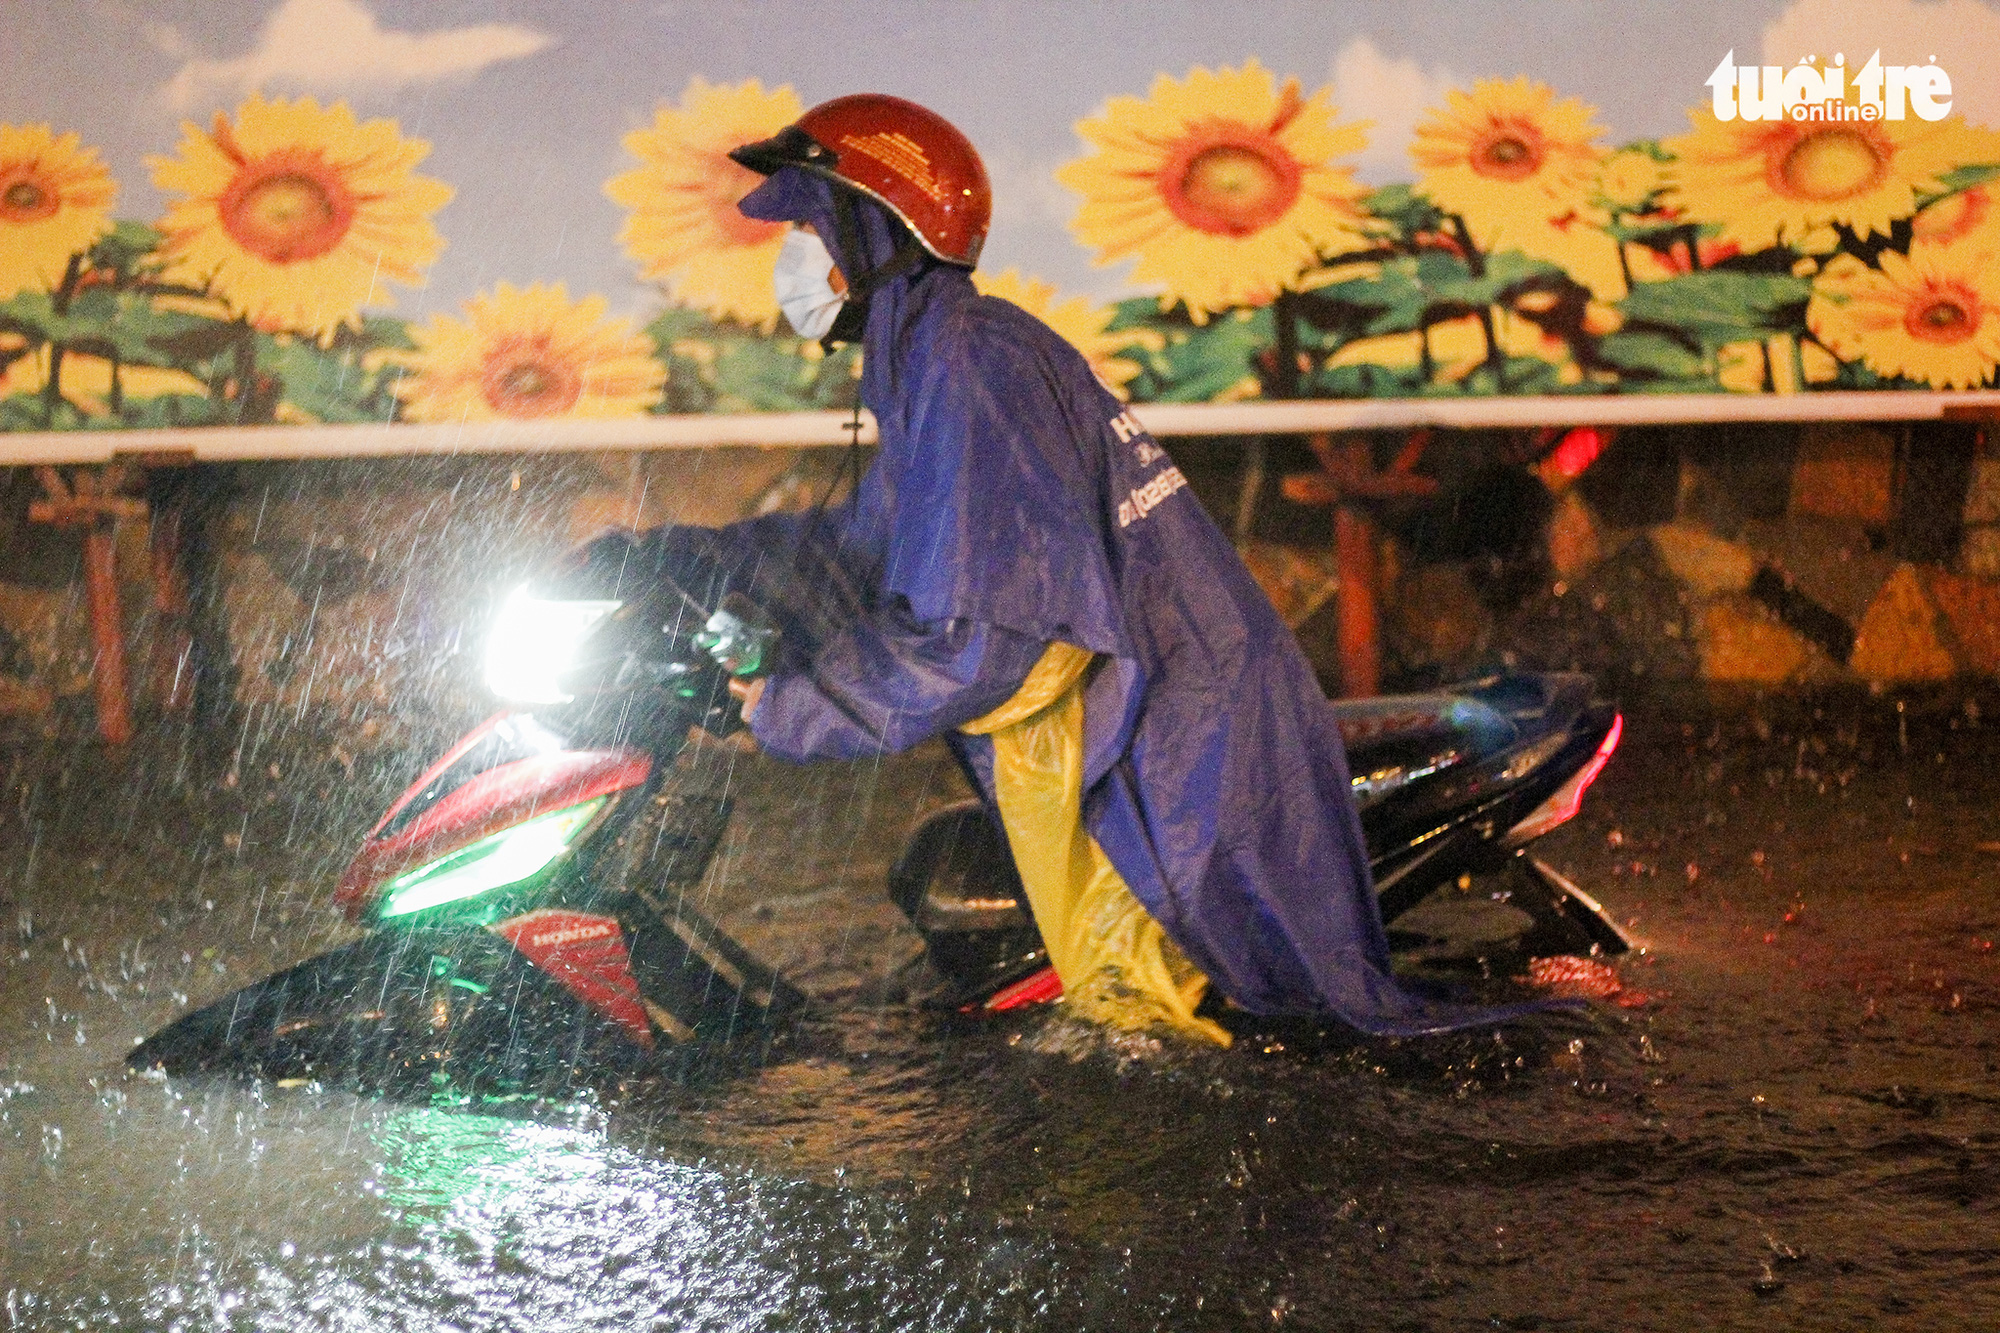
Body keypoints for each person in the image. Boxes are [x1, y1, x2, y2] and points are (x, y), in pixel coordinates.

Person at [703, 93, 1518, 1044]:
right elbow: (867, 542)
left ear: (873, 228)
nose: (794, 255)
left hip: (1169, 752)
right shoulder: (941, 357)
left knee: (1197, 1058)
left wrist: (790, 704)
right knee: (1157, 1047)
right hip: (1162, 720)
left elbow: (989, 637)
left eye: (807, 225)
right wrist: (679, 559)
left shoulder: (968, 363)